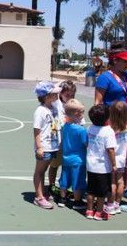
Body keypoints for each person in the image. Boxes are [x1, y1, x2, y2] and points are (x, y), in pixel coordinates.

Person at [31, 81, 62, 210]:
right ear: (46, 96)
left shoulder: (53, 107)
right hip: (44, 146)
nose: (57, 95)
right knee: (40, 171)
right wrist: (39, 147)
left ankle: (42, 193)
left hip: (53, 145)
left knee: (44, 170)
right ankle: (39, 197)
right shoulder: (40, 111)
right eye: (54, 93)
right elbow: (36, 130)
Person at [85, 104, 117, 221]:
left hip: (91, 164)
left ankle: (89, 210)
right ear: (108, 118)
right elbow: (110, 149)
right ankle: (98, 212)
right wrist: (114, 164)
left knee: (91, 189)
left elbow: (87, 143)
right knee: (101, 192)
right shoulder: (108, 131)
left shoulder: (90, 128)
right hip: (103, 166)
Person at [48, 80, 78, 197]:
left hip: (71, 142)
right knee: (55, 164)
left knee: (68, 166)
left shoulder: (74, 105)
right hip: (59, 140)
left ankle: (66, 186)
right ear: (61, 93)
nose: (70, 97)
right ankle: (51, 185)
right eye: (67, 94)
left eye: (72, 95)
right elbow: (51, 91)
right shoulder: (57, 104)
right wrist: (59, 85)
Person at [105, 101, 127, 216]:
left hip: (112, 158)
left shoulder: (110, 127)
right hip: (121, 158)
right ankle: (117, 203)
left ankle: (110, 204)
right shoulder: (126, 127)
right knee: (120, 181)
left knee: (112, 182)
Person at [57, 99, 88, 209]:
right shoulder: (81, 130)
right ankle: (77, 201)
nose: (82, 115)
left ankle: (62, 199)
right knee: (78, 181)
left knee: (64, 180)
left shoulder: (65, 126)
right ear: (76, 114)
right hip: (78, 160)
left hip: (66, 159)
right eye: (81, 113)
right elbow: (86, 143)